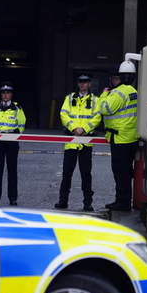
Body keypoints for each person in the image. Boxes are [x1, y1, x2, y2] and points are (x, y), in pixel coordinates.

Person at [54, 72, 101, 211]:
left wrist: (84, 129)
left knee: (86, 173)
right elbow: (63, 114)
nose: (82, 84)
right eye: (80, 82)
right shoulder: (69, 99)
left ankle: (87, 203)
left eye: (85, 82)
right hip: (72, 141)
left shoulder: (95, 100)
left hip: (86, 142)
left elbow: (97, 117)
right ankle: (63, 201)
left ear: (89, 84)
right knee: (67, 172)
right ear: (78, 83)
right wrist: (74, 128)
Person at [100, 60, 139, 211]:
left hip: (120, 138)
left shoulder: (118, 93)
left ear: (111, 78)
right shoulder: (133, 91)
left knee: (120, 172)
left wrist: (104, 94)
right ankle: (124, 200)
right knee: (126, 172)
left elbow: (104, 109)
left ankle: (122, 202)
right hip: (131, 137)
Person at [0, 81, 26, 206]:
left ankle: (13, 198)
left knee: (12, 170)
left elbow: (22, 124)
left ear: (11, 94)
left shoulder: (17, 108)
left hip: (12, 140)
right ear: (1, 94)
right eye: (4, 93)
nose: (6, 95)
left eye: (8, 93)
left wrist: (14, 134)